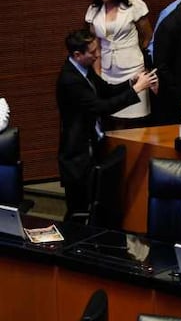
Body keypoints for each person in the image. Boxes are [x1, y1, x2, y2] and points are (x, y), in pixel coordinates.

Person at [56, 29, 156, 220]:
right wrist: (136, 90)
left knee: (98, 203)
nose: (97, 55)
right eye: (92, 52)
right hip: (77, 156)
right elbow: (101, 107)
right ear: (77, 55)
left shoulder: (84, 70)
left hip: (92, 146)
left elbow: (106, 90)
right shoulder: (70, 80)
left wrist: (130, 83)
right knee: (80, 209)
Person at [85, 0, 153, 122]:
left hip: (133, 71)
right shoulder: (94, 11)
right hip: (108, 74)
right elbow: (95, 45)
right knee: (112, 120)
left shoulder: (134, 6)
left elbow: (147, 35)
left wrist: (135, 53)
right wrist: (98, 75)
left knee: (137, 121)